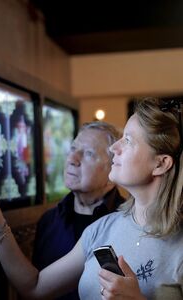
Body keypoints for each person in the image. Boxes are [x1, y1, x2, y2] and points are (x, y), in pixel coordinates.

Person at [0, 97, 183, 300]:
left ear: (161, 164)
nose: (115, 148)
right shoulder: (101, 228)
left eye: (128, 140)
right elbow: (34, 287)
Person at [32, 121, 125, 300]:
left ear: (113, 171)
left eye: (89, 154)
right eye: (73, 148)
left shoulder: (127, 223)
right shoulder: (48, 221)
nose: (72, 159)